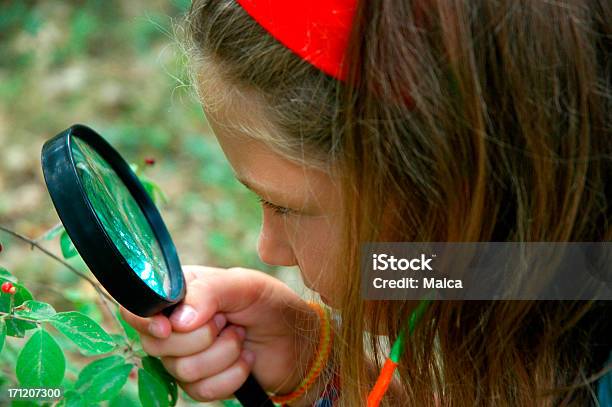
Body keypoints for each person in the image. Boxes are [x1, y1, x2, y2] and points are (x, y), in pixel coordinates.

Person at [121, 0, 612, 405]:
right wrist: (316, 366)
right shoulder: (566, 266)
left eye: (288, 207)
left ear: (439, 175)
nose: (269, 250)